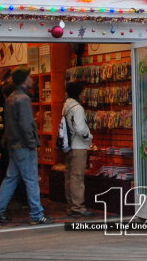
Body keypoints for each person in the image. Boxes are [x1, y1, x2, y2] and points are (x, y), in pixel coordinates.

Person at [0, 67, 53, 225]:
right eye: (29, 77)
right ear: (24, 80)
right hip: (24, 145)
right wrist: (32, 143)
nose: (32, 79)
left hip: (13, 144)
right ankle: (37, 214)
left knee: (10, 178)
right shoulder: (23, 99)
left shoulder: (11, 97)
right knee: (31, 179)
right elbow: (25, 124)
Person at [62, 81, 94, 217]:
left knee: (69, 176)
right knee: (77, 177)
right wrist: (89, 137)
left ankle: (71, 204)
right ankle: (78, 207)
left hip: (68, 145)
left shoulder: (66, 105)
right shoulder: (78, 108)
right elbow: (81, 128)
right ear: (78, 93)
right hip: (78, 146)